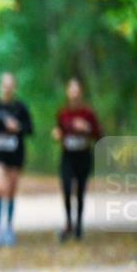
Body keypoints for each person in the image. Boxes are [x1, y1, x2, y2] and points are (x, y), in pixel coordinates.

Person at [0, 72, 33, 247]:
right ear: (0, 86)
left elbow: (29, 129)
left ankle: (9, 228)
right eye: (4, 84)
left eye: (10, 85)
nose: (6, 88)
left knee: (11, 191)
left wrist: (17, 127)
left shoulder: (21, 108)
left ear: (14, 87)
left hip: (15, 154)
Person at [53, 77, 103, 241]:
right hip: (68, 155)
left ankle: (79, 225)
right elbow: (59, 131)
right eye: (71, 89)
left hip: (83, 154)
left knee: (80, 190)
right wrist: (57, 134)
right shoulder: (63, 113)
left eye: (77, 89)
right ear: (67, 92)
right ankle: (69, 223)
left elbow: (99, 135)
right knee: (67, 188)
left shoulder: (88, 113)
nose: (74, 93)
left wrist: (87, 128)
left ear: (80, 92)